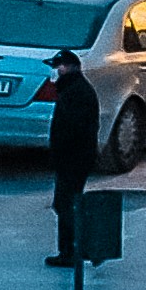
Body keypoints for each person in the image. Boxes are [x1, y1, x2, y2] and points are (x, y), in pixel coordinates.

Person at [44, 47, 105, 266]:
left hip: (73, 159)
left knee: (66, 204)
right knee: (67, 203)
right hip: (73, 158)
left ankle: (79, 250)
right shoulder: (72, 90)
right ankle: (75, 250)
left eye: (57, 67)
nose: (54, 72)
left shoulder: (76, 92)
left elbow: (72, 130)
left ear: (69, 68)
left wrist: (61, 156)